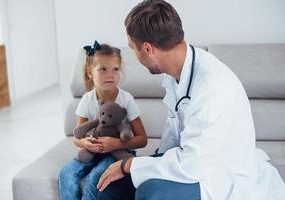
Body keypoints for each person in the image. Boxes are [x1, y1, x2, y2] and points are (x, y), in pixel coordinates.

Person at [96, 1, 285, 200]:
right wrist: (149, 163)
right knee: (111, 186)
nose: (135, 55)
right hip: (188, 158)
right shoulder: (175, 72)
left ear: (148, 49)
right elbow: (173, 135)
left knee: (151, 192)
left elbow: (194, 164)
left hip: (217, 174)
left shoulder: (212, 87)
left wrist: (130, 165)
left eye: (133, 49)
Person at [58, 41, 147, 200]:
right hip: (92, 151)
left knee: (96, 177)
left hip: (118, 152)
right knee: (66, 174)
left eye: (115, 69)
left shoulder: (126, 99)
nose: (110, 74)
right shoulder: (87, 99)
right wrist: (85, 143)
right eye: (103, 69)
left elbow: (142, 139)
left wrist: (117, 144)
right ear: (90, 72)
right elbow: (77, 137)